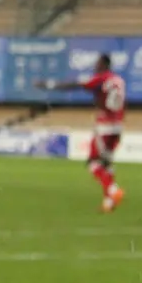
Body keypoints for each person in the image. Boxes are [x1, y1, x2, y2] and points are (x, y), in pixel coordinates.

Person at [36, 53, 126, 213]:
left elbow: (76, 85)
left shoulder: (101, 78)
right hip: (118, 126)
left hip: (104, 126)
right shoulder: (119, 80)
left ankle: (113, 190)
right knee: (107, 163)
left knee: (93, 163)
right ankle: (108, 203)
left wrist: (48, 85)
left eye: (97, 63)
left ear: (104, 65)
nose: (94, 67)